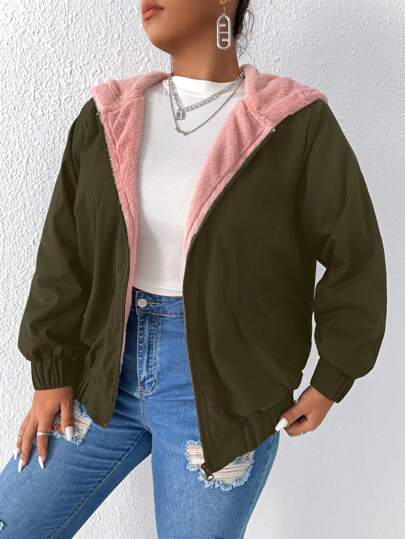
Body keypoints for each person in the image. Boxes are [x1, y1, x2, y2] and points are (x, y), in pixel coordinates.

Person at [0, 0, 387, 537]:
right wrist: (51, 371)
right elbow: (64, 251)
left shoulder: (295, 124)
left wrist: (333, 376)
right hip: (100, 374)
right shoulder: (108, 115)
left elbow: (355, 254)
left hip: (223, 396)